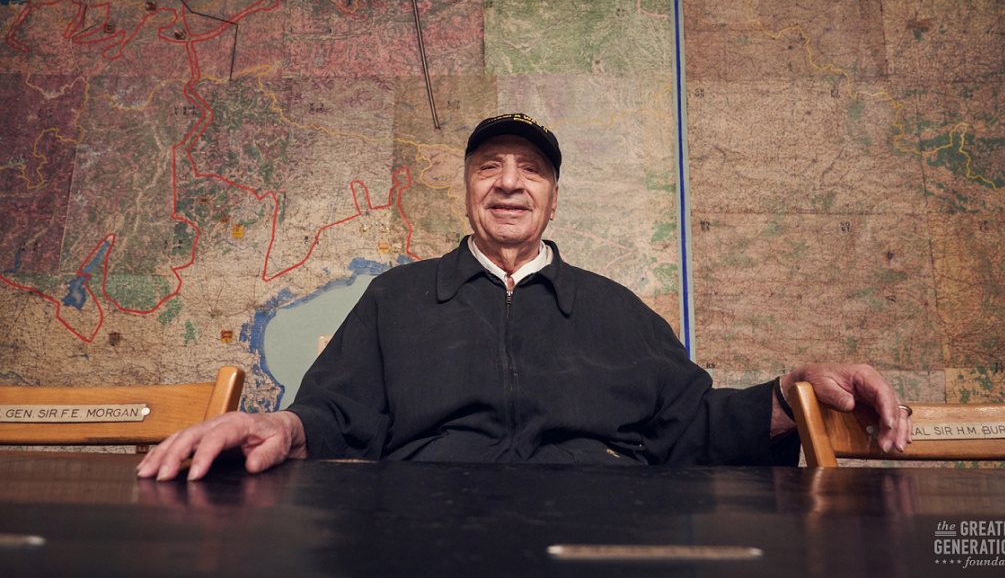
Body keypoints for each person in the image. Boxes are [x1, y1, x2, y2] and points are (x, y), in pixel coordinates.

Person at [139, 113, 912, 480]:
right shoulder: (396, 298)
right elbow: (332, 416)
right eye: (489, 166)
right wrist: (271, 422)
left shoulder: (614, 307)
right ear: (469, 189)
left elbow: (694, 424)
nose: (509, 181)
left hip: (600, 537)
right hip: (422, 538)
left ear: (551, 200)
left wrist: (792, 389)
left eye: (530, 170)